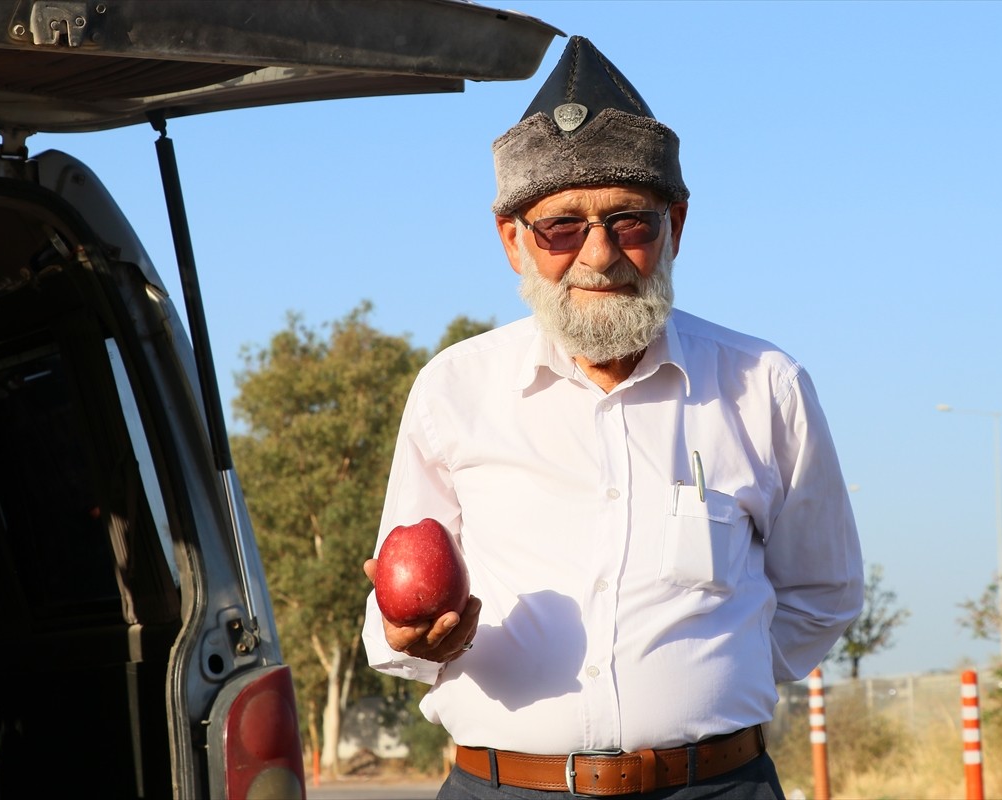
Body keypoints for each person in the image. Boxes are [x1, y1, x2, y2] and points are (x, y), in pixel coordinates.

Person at [361, 35, 863, 800]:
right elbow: (395, 611)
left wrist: (710, 677)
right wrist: (410, 637)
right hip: (502, 787)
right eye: (561, 227)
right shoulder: (454, 391)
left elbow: (824, 593)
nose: (599, 255)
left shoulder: (765, 386)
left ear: (676, 228)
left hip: (715, 788)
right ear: (513, 242)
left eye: (630, 221)